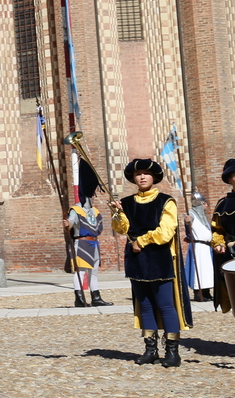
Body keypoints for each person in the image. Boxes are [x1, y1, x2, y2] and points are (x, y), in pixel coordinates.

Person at [109, 159, 192, 368]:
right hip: (136, 260)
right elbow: (121, 229)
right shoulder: (126, 203)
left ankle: (172, 351)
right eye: (138, 174)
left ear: (154, 177)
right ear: (133, 178)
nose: (142, 177)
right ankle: (150, 349)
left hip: (160, 258)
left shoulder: (166, 201)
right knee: (144, 305)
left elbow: (166, 232)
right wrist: (117, 213)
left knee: (165, 305)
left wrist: (141, 240)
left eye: (146, 173)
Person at [64, 158, 113, 308]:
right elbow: (72, 220)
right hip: (82, 242)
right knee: (81, 272)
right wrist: (69, 223)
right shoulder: (76, 209)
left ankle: (96, 297)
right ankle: (79, 298)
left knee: (94, 272)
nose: (91, 195)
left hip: (94, 242)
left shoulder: (95, 210)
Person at [208, 158, 235, 316]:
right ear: (230, 179)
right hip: (232, 255)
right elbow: (217, 230)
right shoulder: (223, 205)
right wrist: (219, 243)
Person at [184, 191, 215, 303]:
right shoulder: (191, 214)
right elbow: (188, 225)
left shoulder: (202, 217)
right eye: (205, 203)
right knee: (200, 271)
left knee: (207, 270)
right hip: (198, 247)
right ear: (200, 204)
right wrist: (187, 221)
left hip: (206, 247)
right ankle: (198, 293)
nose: (206, 205)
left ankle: (206, 292)